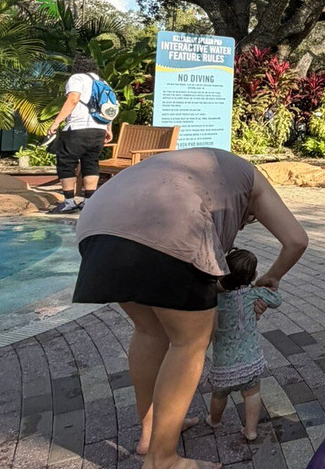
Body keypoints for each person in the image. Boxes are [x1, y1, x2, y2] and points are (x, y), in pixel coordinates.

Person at [72, 148, 308, 469]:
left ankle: (151, 432)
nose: (243, 224)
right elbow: (296, 240)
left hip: (97, 225)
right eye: (248, 219)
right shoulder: (253, 180)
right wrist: (272, 276)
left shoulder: (202, 165)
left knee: (149, 331)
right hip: (172, 226)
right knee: (190, 341)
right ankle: (162, 459)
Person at [189, 248, 281, 442]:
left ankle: (215, 420)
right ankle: (251, 430)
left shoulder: (215, 298)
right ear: (253, 275)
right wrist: (261, 289)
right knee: (252, 393)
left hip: (223, 365)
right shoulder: (254, 294)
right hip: (250, 361)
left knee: (219, 395)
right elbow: (276, 300)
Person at [45, 54, 114, 214]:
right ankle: (89, 201)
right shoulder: (103, 82)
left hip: (77, 128)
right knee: (91, 162)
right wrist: (108, 128)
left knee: (66, 162)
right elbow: (109, 106)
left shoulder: (76, 79)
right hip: (99, 129)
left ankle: (69, 202)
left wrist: (56, 122)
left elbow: (73, 99)